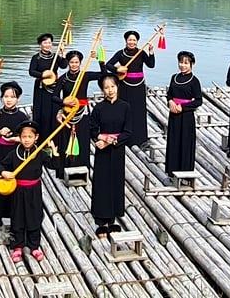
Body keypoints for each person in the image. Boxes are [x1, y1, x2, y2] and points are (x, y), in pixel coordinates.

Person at [0, 121, 57, 262]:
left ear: (36, 137)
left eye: (30, 137)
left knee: (34, 216)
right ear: (19, 137)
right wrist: (3, 172)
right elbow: (0, 165)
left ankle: (34, 246)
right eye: (24, 136)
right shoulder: (14, 154)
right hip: (18, 190)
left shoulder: (40, 153)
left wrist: (54, 153)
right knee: (17, 216)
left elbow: (54, 166)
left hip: (34, 190)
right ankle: (17, 246)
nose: (26, 139)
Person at [89, 74, 131, 238]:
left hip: (117, 150)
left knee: (115, 182)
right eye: (106, 87)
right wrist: (101, 138)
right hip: (102, 151)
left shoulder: (125, 107)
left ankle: (112, 220)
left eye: (112, 86)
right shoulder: (99, 108)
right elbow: (92, 129)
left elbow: (128, 132)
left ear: (117, 87)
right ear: (102, 90)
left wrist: (111, 141)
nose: (110, 90)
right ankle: (100, 222)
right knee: (101, 183)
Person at [52, 49, 101, 179]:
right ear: (68, 63)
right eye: (72, 62)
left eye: (76, 62)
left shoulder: (84, 75)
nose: (74, 64)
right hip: (67, 114)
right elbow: (54, 97)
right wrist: (64, 102)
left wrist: (99, 59)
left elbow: (104, 74)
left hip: (82, 114)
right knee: (65, 140)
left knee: (83, 140)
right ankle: (65, 170)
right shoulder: (63, 79)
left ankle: (82, 169)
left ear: (80, 63)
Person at [0, 81, 28, 229]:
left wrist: (17, 139)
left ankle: (15, 215)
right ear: (1, 98)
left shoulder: (23, 117)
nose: (8, 99)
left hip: (16, 153)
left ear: (18, 99)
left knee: (16, 182)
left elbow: (28, 136)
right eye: (6, 96)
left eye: (12, 96)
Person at [106, 30, 155, 146]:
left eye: (134, 40)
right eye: (130, 40)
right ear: (126, 41)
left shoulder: (141, 53)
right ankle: (124, 137)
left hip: (138, 86)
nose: (132, 42)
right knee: (125, 111)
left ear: (137, 41)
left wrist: (151, 52)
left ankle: (140, 139)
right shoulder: (121, 53)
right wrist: (117, 70)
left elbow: (151, 65)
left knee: (139, 111)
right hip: (125, 86)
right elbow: (108, 65)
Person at [165, 51, 202, 175]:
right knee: (173, 141)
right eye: (181, 62)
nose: (183, 65)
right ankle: (171, 171)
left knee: (185, 142)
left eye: (186, 63)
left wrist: (183, 107)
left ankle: (185, 172)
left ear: (192, 64)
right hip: (173, 114)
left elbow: (198, 101)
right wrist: (170, 102)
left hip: (186, 116)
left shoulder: (194, 81)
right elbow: (169, 93)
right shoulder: (174, 77)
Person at [27, 33, 66, 145]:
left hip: (54, 87)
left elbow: (64, 65)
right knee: (42, 113)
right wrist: (43, 75)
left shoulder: (54, 56)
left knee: (54, 110)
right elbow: (31, 71)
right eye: (45, 42)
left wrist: (63, 53)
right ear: (40, 44)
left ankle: (54, 139)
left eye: (49, 42)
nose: (48, 45)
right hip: (41, 87)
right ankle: (41, 139)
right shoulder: (36, 57)